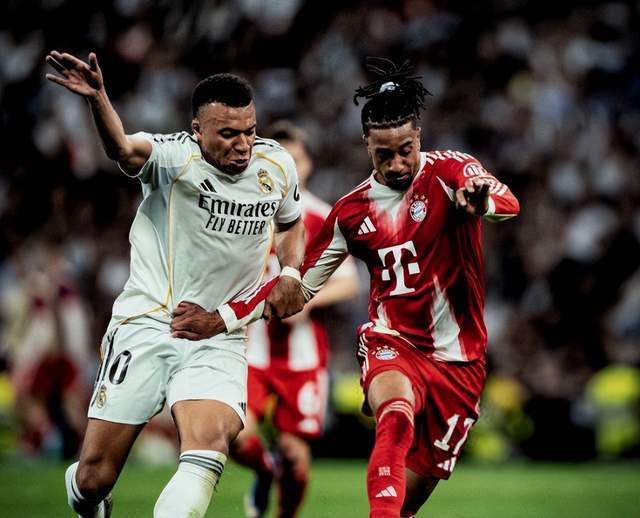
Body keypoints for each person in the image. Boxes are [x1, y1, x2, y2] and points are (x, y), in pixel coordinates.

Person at [172, 58, 520, 517]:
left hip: (461, 361)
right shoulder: (351, 213)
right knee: (394, 414)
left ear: (419, 137)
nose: (397, 164)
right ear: (366, 145)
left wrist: (483, 200)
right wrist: (219, 319)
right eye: (383, 154)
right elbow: (293, 287)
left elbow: (506, 199)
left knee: (406, 504)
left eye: (405, 150)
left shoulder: (453, 171)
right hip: (392, 342)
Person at [44, 49, 305, 518]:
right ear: (197, 130)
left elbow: (290, 225)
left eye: (249, 131)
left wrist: (289, 271)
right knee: (93, 478)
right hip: (147, 323)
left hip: (219, 335)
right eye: (228, 134)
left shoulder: (276, 165)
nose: (243, 145)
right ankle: (88, 495)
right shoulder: (173, 157)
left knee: (208, 444)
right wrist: (98, 98)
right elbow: (123, 149)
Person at [230, 121, 359, 518]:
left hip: (301, 355)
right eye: (279, 158)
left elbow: (349, 282)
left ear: (308, 164)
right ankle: (263, 469)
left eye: (296, 159)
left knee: (296, 457)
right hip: (251, 347)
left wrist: (303, 300)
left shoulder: (320, 216)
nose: (290, 167)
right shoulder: (244, 210)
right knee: (234, 434)